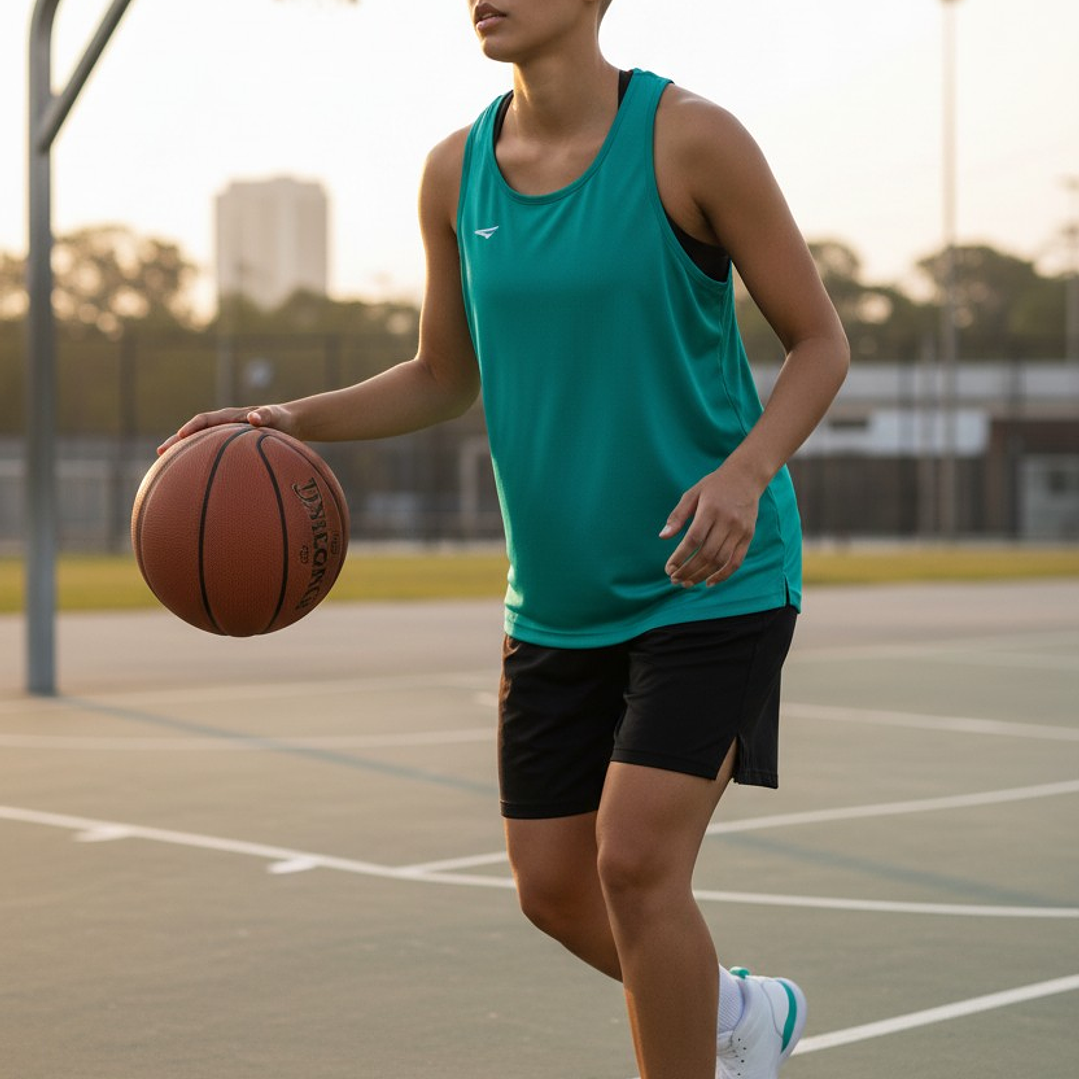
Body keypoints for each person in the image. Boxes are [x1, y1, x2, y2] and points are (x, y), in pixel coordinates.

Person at [160, 2, 849, 1075]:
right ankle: (738, 1012)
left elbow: (819, 340)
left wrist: (744, 471)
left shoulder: (689, 141)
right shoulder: (454, 173)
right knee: (553, 887)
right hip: (557, 603)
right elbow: (442, 372)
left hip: (705, 579)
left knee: (632, 863)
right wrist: (287, 420)